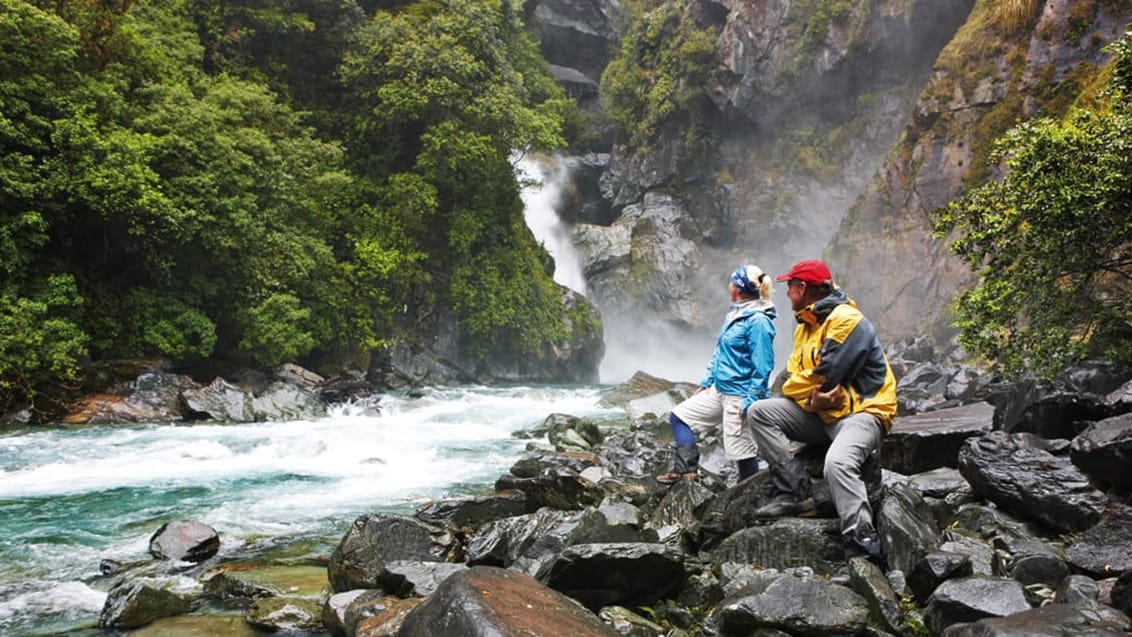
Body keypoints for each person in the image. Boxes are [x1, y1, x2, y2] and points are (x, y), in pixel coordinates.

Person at [745, 259, 896, 566]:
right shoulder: (804, 326)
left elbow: (826, 374)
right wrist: (811, 400)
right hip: (821, 413)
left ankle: (863, 548)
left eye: (790, 286)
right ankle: (794, 492)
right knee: (759, 412)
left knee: (838, 463)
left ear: (803, 288)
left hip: (863, 413)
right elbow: (793, 379)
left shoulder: (847, 320)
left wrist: (806, 391)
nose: (786, 292)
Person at [657, 265, 776, 484]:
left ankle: (746, 499)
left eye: (731, 282)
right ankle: (686, 471)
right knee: (679, 416)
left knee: (741, 451)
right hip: (719, 389)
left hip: (739, 395)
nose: (728, 286)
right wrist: (707, 381)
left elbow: (764, 365)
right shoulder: (736, 313)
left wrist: (751, 401)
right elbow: (720, 352)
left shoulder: (758, 321)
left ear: (738, 289)